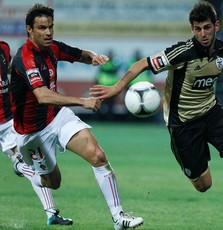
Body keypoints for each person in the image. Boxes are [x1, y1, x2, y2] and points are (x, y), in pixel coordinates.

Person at [90, 1, 223, 229]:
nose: (202, 34)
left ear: (216, 26)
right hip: (183, 124)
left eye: (206, 27)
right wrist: (116, 88)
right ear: (192, 29)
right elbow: (141, 64)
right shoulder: (182, 52)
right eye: (197, 29)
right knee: (204, 185)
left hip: (212, 113)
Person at [10, 4, 143, 230]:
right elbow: (42, 95)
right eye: (42, 28)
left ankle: (118, 217)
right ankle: (22, 166)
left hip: (57, 117)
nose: (48, 32)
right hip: (32, 133)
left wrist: (94, 57)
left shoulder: (53, 48)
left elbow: (78, 54)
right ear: (29, 30)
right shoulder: (25, 59)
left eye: (51, 27)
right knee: (52, 183)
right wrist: (83, 101)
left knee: (98, 156)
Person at [0, 40, 72, 226]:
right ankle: (19, 167)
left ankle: (51, 214)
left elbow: (11, 70)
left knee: (35, 162)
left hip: (9, 119)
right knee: (31, 163)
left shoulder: (4, 48)